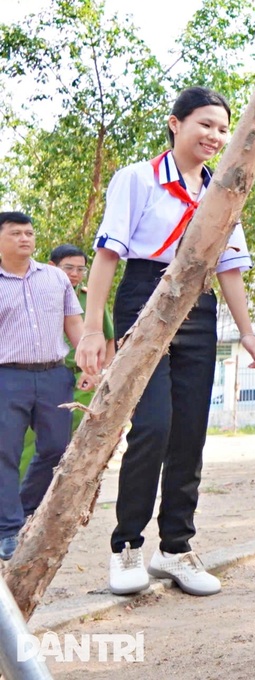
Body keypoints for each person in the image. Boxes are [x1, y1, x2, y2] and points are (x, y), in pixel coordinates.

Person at [76, 86, 255, 597]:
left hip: (198, 305)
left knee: (189, 432)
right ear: (175, 124)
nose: (215, 136)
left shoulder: (223, 189)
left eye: (223, 129)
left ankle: (176, 548)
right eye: (205, 124)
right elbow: (108, 255)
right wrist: (94, 329)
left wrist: (246, 332)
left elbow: (229, 265)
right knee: (154, 427)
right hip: (145, 293)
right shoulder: (136, 178)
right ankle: (126, 548)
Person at [0, 212, 85, 561]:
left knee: (55, 449)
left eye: (30, 233)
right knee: (5, 453)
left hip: (54, 376)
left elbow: (74, 325)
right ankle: (8, 531)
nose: (25, 238)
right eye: (16, 233)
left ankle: (21, 509)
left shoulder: (55, 278)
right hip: (7, 377)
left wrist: (86, 363)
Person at [21, 244, 116, 478]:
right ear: (52, 266)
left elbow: (108, 339)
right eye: (69, 268)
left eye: (80, 269)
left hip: (82, 379)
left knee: (79, 434)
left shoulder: (89, 299)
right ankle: (23, 496)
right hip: (43, 374)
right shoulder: (33, 293)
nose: (75, 274)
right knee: (31, 440)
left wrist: (100, 374)